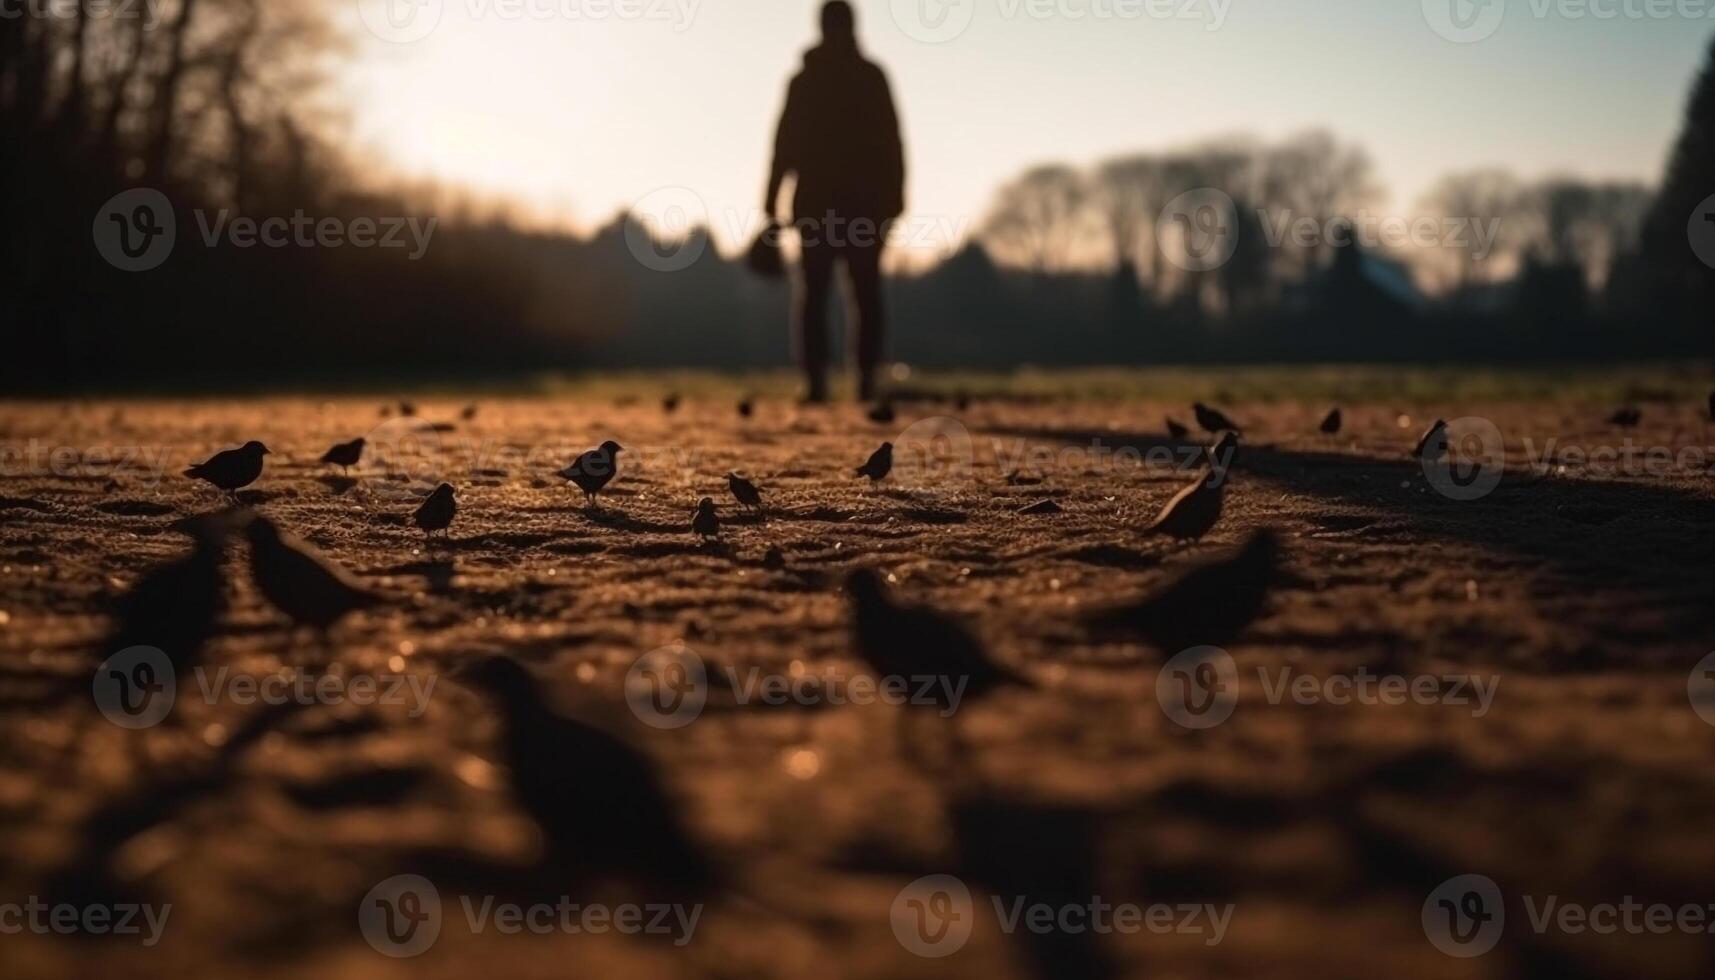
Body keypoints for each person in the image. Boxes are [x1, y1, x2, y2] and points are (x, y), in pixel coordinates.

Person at [764, 0, 906, 404]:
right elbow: (892, 141)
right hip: (863, 204)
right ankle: (862, 380)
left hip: (820, 203)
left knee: (817, 293)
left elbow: (783, 145)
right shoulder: (869, 77)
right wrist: (895, 195)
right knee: (863, 292)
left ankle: (818, 383)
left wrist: (770, 202)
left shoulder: (807, 80)